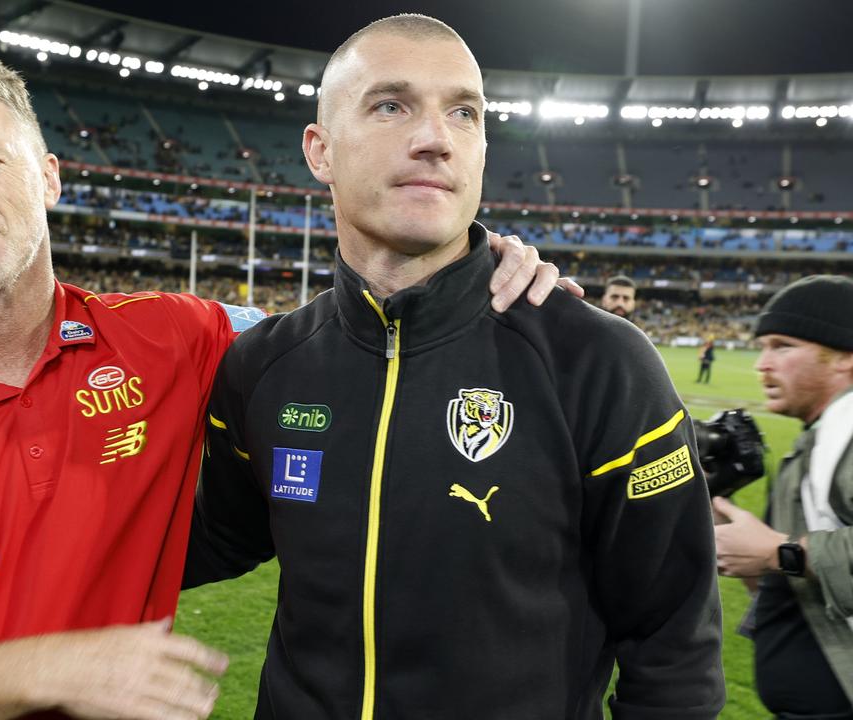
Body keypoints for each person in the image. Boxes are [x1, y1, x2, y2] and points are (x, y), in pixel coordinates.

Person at [0, 49, 573, 720]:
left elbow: (353, 333)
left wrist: (474, 268)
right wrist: (52, 667)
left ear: (49, 179)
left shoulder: (173, 337)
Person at [183, 14, 724, 719]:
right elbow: (215, 537)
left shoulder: (596, 361)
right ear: (320, 151)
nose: (435, 138)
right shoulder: (263, 365)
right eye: (390, 105)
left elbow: (673, 646)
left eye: (463, 113)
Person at [713, 275, 853, 718]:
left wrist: (781, 553)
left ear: (844, 357)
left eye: (782, 346)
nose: (762, 364)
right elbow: (787, 579)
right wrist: (719, 506)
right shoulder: (817, 440)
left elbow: (787, 557)